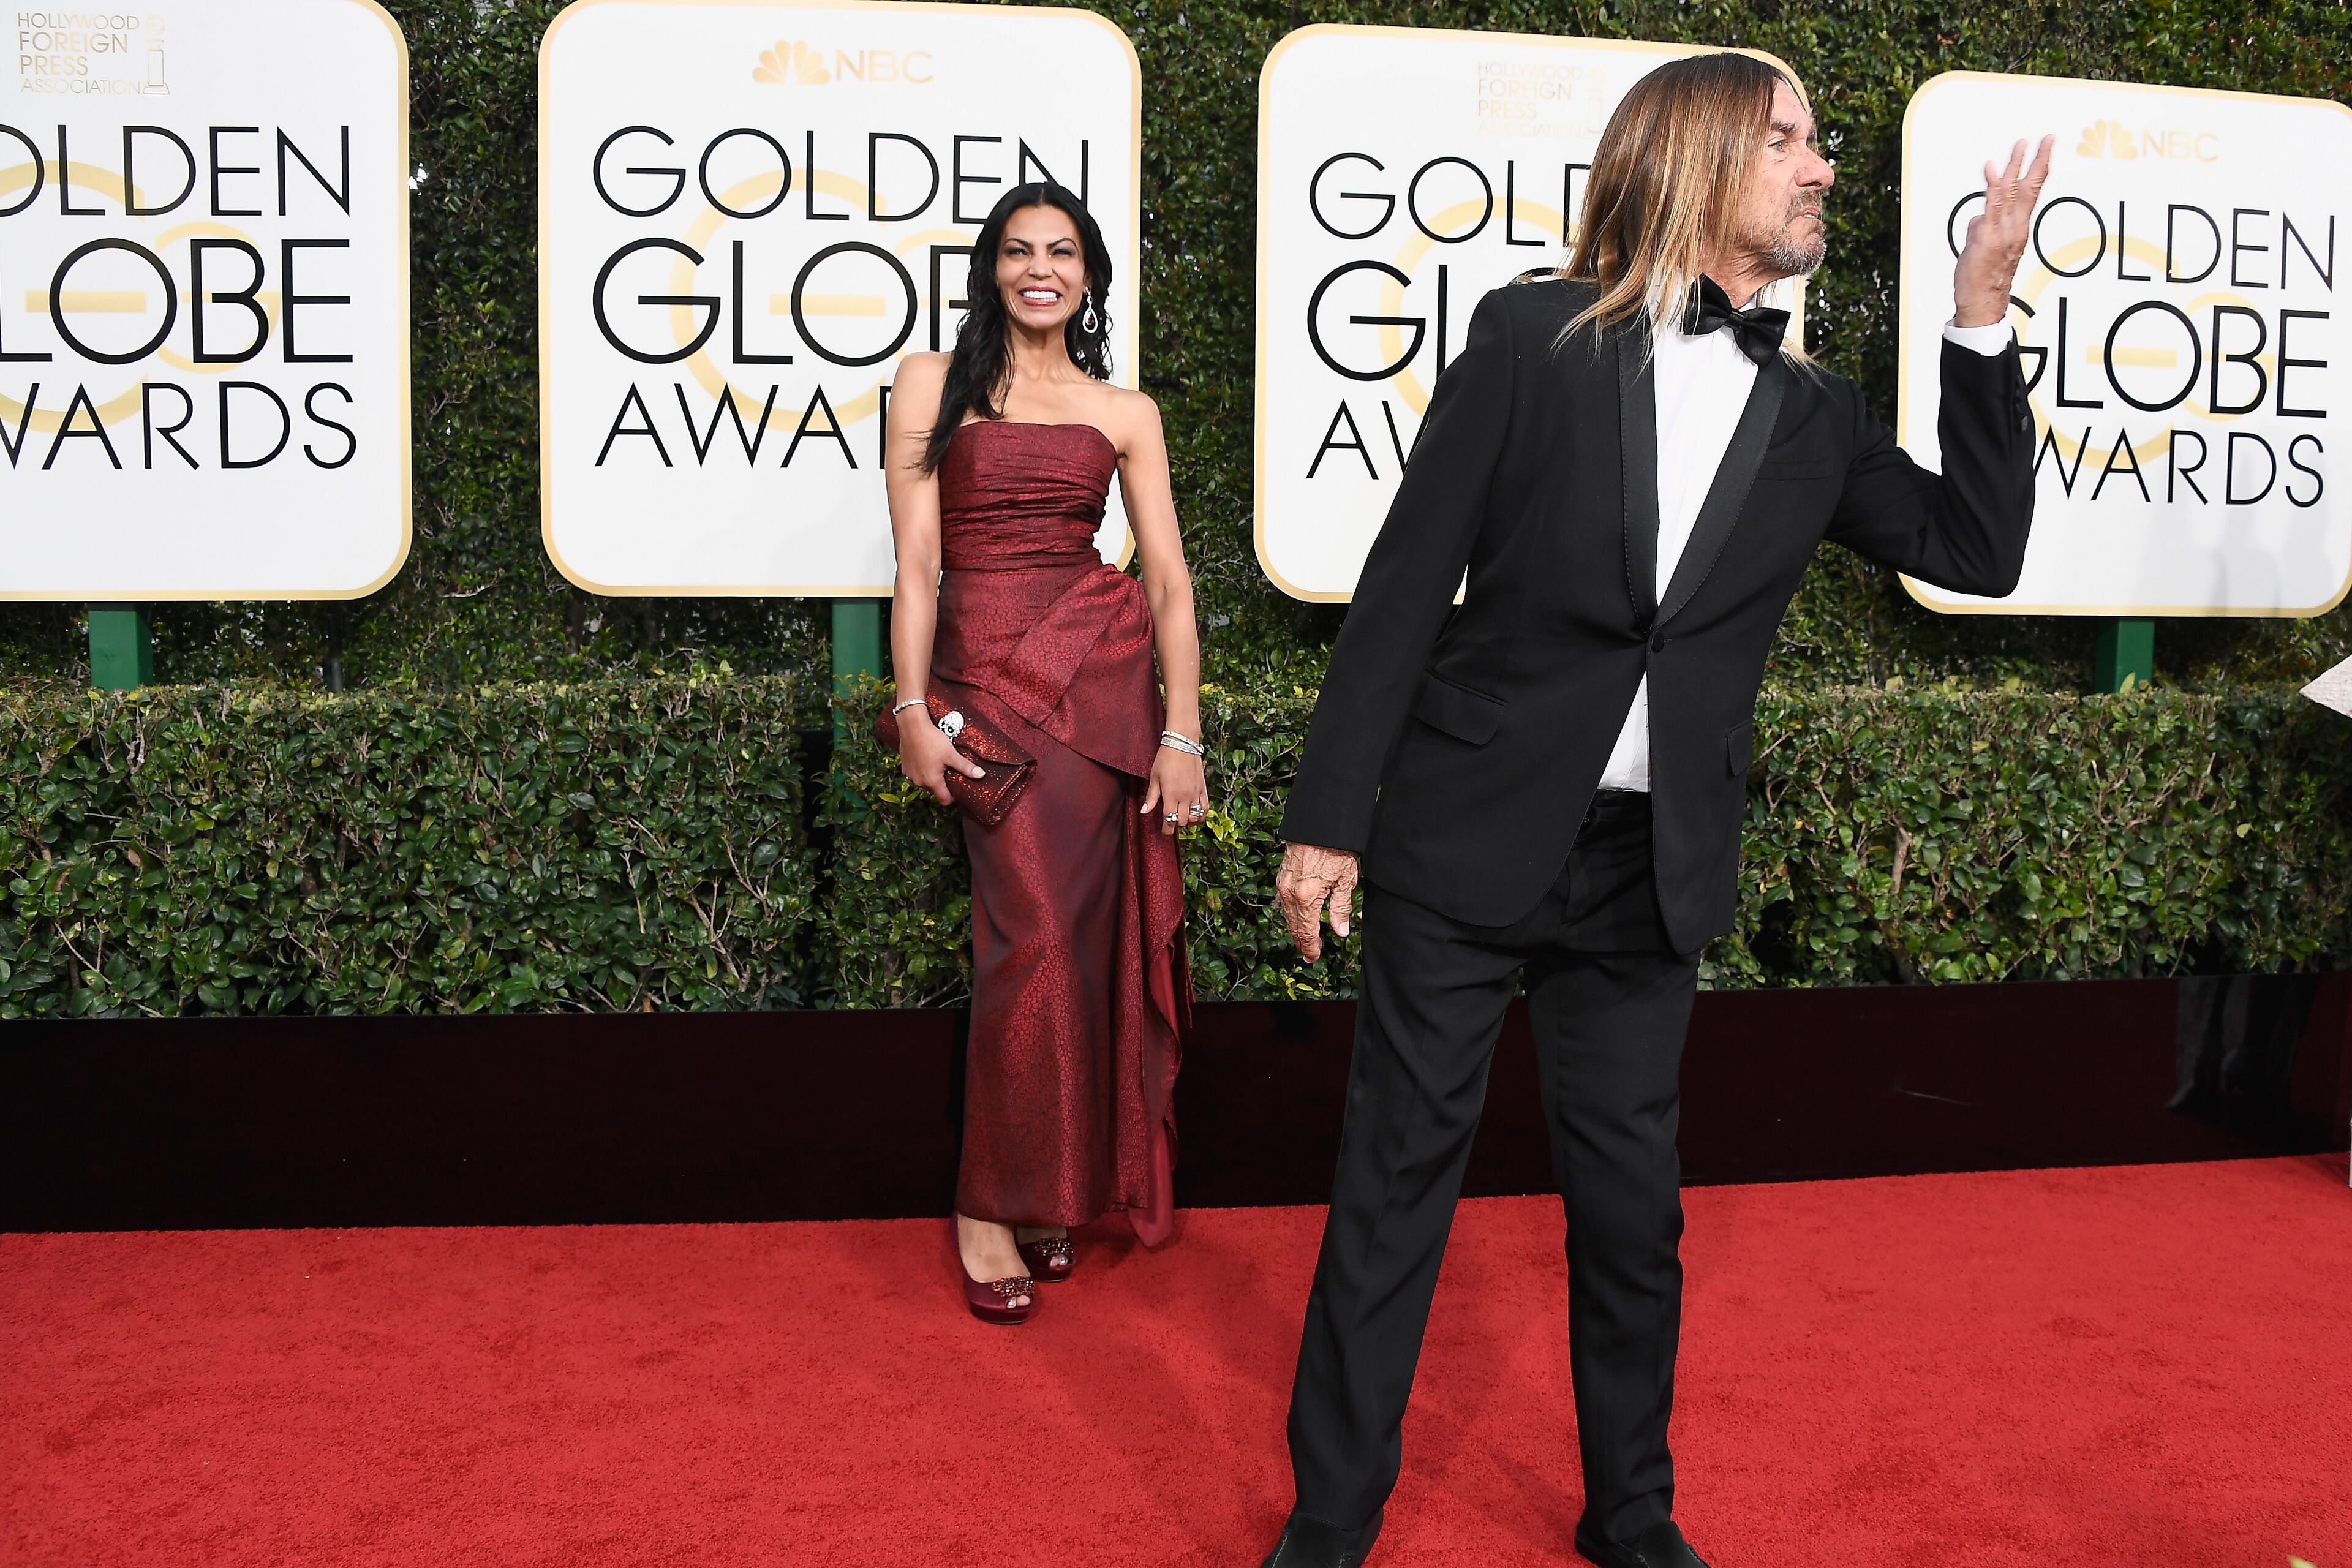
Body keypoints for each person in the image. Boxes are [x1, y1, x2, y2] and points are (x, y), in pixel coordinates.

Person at [1259, 55, 2052, 1568]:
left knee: (1634, 1219)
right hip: (1467, 836)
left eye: (1819, 142)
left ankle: (1630, 1514)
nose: (1823, 168)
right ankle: (1330, 1521)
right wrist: (1327, 815)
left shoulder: (1815, 414)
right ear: (1695, 157)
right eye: (1789, 139)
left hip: (1649, 869)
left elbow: (1979, 548)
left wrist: (1982, 311)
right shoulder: (1531, 339)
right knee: (1393, 1191)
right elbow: (1405, 586)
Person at [883, 182, 1201, 1327]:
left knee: (1086, 939)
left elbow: (1169, 580)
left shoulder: (1125, 411)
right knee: (1031, 940)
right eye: (1019, 251)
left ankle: (1050, 1188)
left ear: (1089, 276)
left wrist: (1181, 733)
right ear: (992, 270)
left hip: (1098, 687)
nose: (1040, 270)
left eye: (1062, 253)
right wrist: (911, 708)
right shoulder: (931, 384)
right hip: (983, 685)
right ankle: (990, 1202)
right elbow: (917, 564)